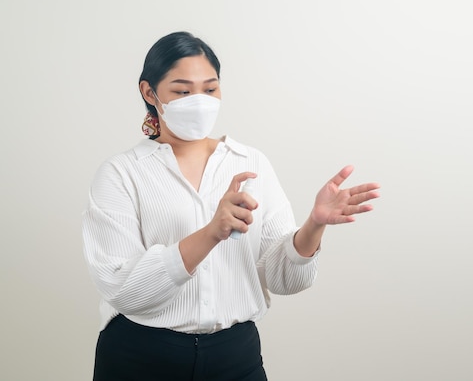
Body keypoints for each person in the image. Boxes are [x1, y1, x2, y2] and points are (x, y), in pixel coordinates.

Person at [82, 31, 380, 381]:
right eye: (182, 91)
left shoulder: (251, 162)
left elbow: (285, 280)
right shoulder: (121, 174)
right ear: (150, 93)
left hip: (235, 357)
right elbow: (123, 289)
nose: (199, 100)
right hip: (141, 357)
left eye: (210, 89)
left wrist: (313, 226)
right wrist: (211, 233)